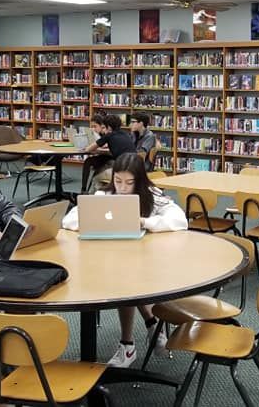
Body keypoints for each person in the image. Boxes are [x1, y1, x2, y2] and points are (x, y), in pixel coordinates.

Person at [61, 153, 187, 367]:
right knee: (122, 278)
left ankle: (129, 343)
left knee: (126, 281)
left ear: (139, 180)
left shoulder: (152, 196)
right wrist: (93, 221)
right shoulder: (104, 195)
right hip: (107, 262)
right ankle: (149, 325)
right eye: (118, 181)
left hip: (147, 262)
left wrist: (143, 221)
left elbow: (179, 220)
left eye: (129, 183)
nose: (122, 188)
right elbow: (69, 220)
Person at [81, 113, 135, 192]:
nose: (103, 130)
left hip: (122, 169)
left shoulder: (109, 135)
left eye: (104, 127)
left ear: (109, 127)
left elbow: (88, 149)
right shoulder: (125, 134)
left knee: (96, 178)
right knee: (102, 166)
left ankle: (92, 197)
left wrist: (87, 148)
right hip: (134, 166)